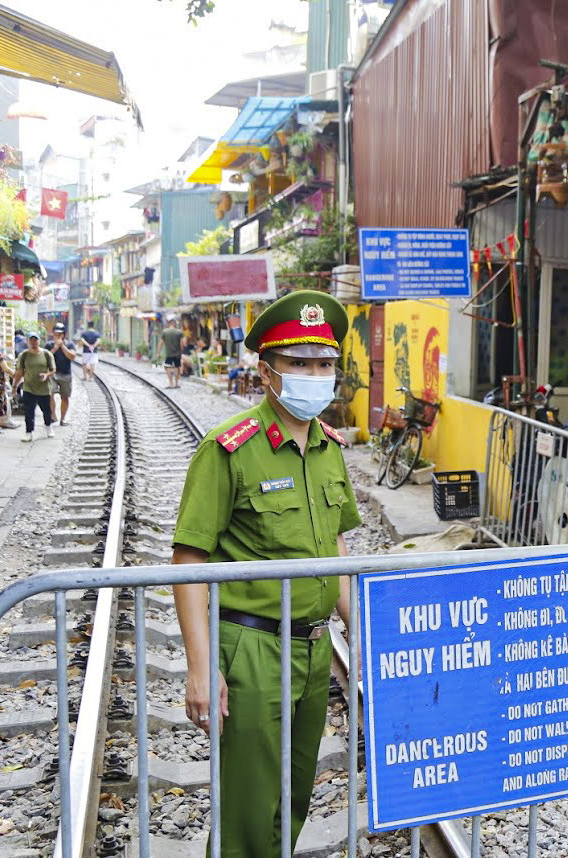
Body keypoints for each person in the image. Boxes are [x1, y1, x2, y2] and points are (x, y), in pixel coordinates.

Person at [171, 291, 360, 856]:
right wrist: (201, 668)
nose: (314, 376)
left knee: (293, 797)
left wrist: (363, 634)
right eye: (299, 363)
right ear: (266, 372)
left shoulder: (329, 448)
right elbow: (188, 562)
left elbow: (337, 548)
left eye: (323, 364)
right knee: (249, 806)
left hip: (314, 650)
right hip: (252, 648)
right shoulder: (228, 449)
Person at [12, 332, 56, 441]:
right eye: (31, 340)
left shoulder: (46, 354)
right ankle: (29, 432)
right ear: (27, 342)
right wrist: (15, 386)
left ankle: (48, 426)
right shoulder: (24, 355)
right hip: (29, 387)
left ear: (39, 341)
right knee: (29, 411)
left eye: (35, 340)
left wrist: (46, 375)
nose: (33, 342)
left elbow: (53, 370)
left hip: (44, 388)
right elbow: (19, 372)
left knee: (46, 410)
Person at [47, 324, 78, 426]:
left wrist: (62, 346)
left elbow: (72, 356)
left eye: (60, 334)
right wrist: (55, 348)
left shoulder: (70, 345)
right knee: (50, 393)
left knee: (65, 397)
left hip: (65, 374)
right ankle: (53, 416)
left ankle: (63, 419)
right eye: (56, 334)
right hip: (52, 373)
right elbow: (45, 357)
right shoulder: (49, 345)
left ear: (64, 335)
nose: (58, 336)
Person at [160, 318, 185, 389]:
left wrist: (158, 352)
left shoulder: (165, 332)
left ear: (169, 324)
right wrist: (181, 351)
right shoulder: (179, 332)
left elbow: (161, 343)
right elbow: (181, 343)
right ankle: (176, 384)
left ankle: (171, 383)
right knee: (177, 367)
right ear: (175, 324)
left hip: (168, 354)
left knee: (168, 367)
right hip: (177, 354)